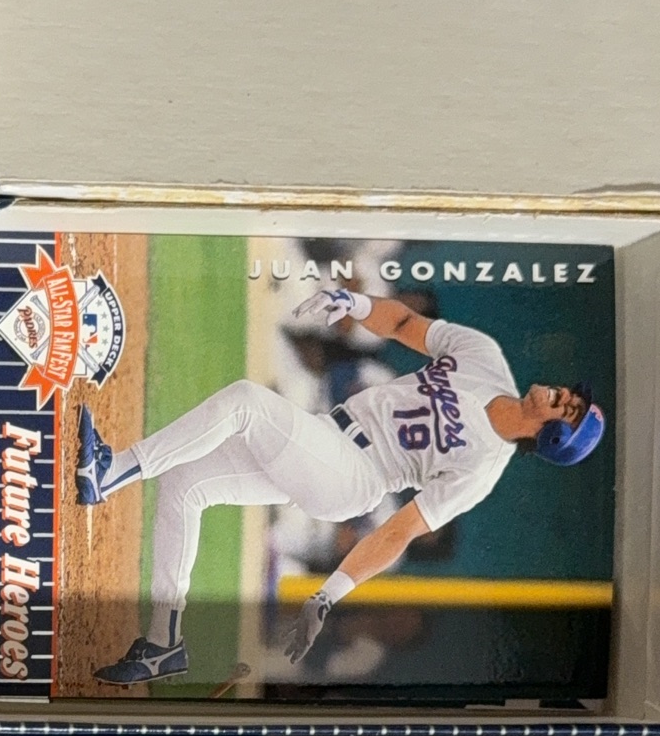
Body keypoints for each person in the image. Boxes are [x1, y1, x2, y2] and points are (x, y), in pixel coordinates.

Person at [76, 284, 606, 680]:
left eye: (568, 408)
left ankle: (112, 470)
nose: (563, 394)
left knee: (245, 400)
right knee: (187, 485)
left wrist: (328, 596)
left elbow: (398, 532)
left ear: (554, 437)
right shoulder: (487, 358)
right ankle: (164, 642)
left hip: (354, 476)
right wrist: (356, 303)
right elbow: (403, 323)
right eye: (570, 396)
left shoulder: (483, 469)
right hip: (327, 434)